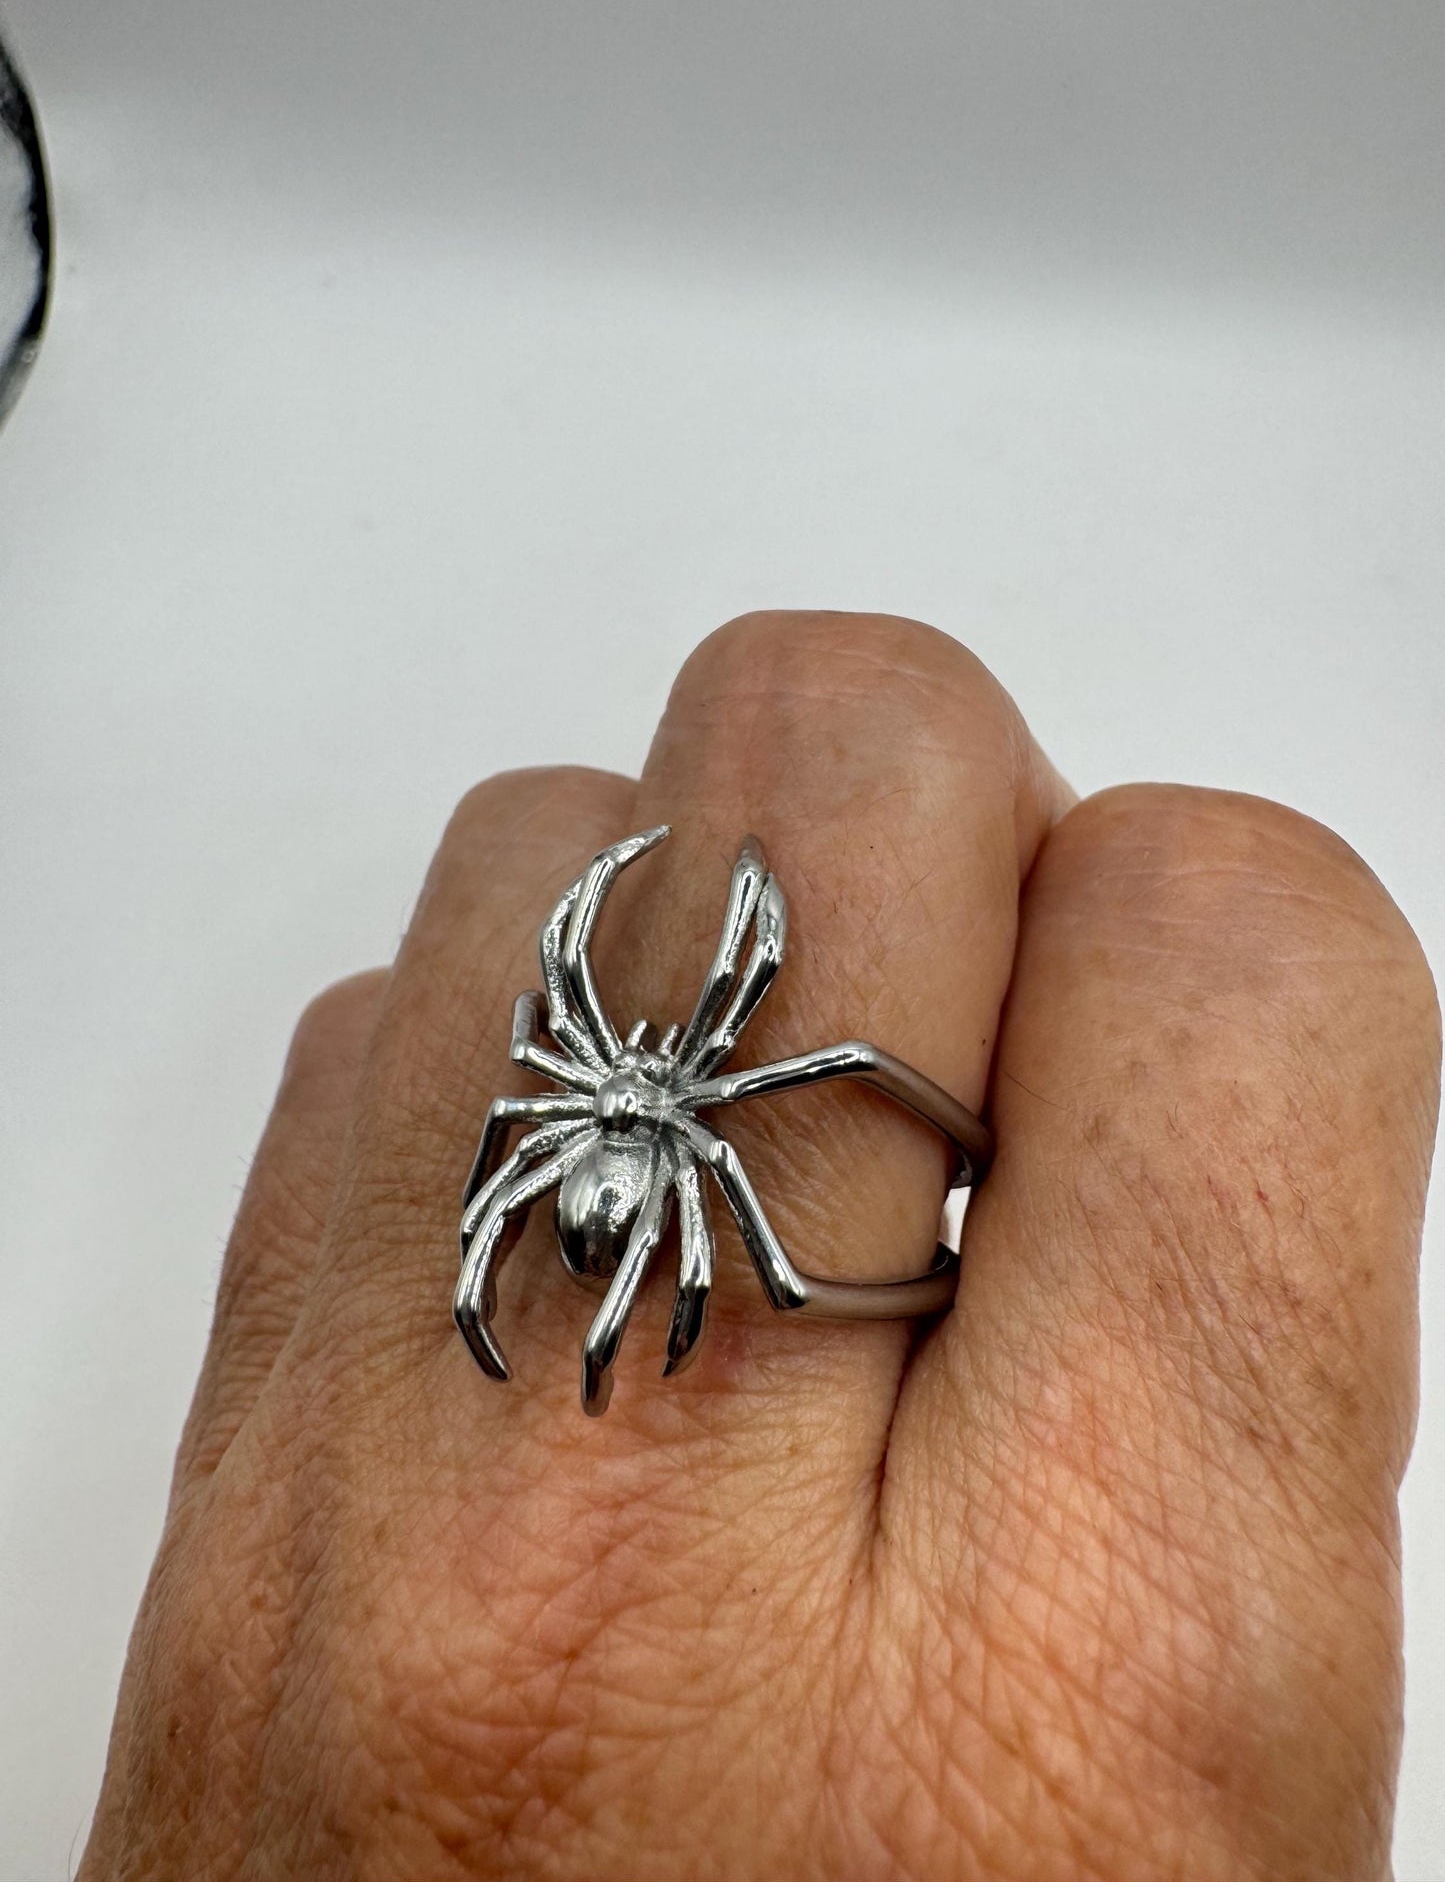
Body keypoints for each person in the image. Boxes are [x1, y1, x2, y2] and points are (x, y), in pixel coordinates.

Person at [78, 612, 1439, 1880]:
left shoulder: (657, 1112)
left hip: (631, 1161)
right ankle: (558, 1328)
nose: (639, 1059)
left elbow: (669, 1112)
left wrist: (633, 1294)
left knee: (673, 1186)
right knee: (598, 1192)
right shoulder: (606, 1095)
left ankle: (572, 1329)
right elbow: (531, 1091)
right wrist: (514, 1297)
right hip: (615, 1163)